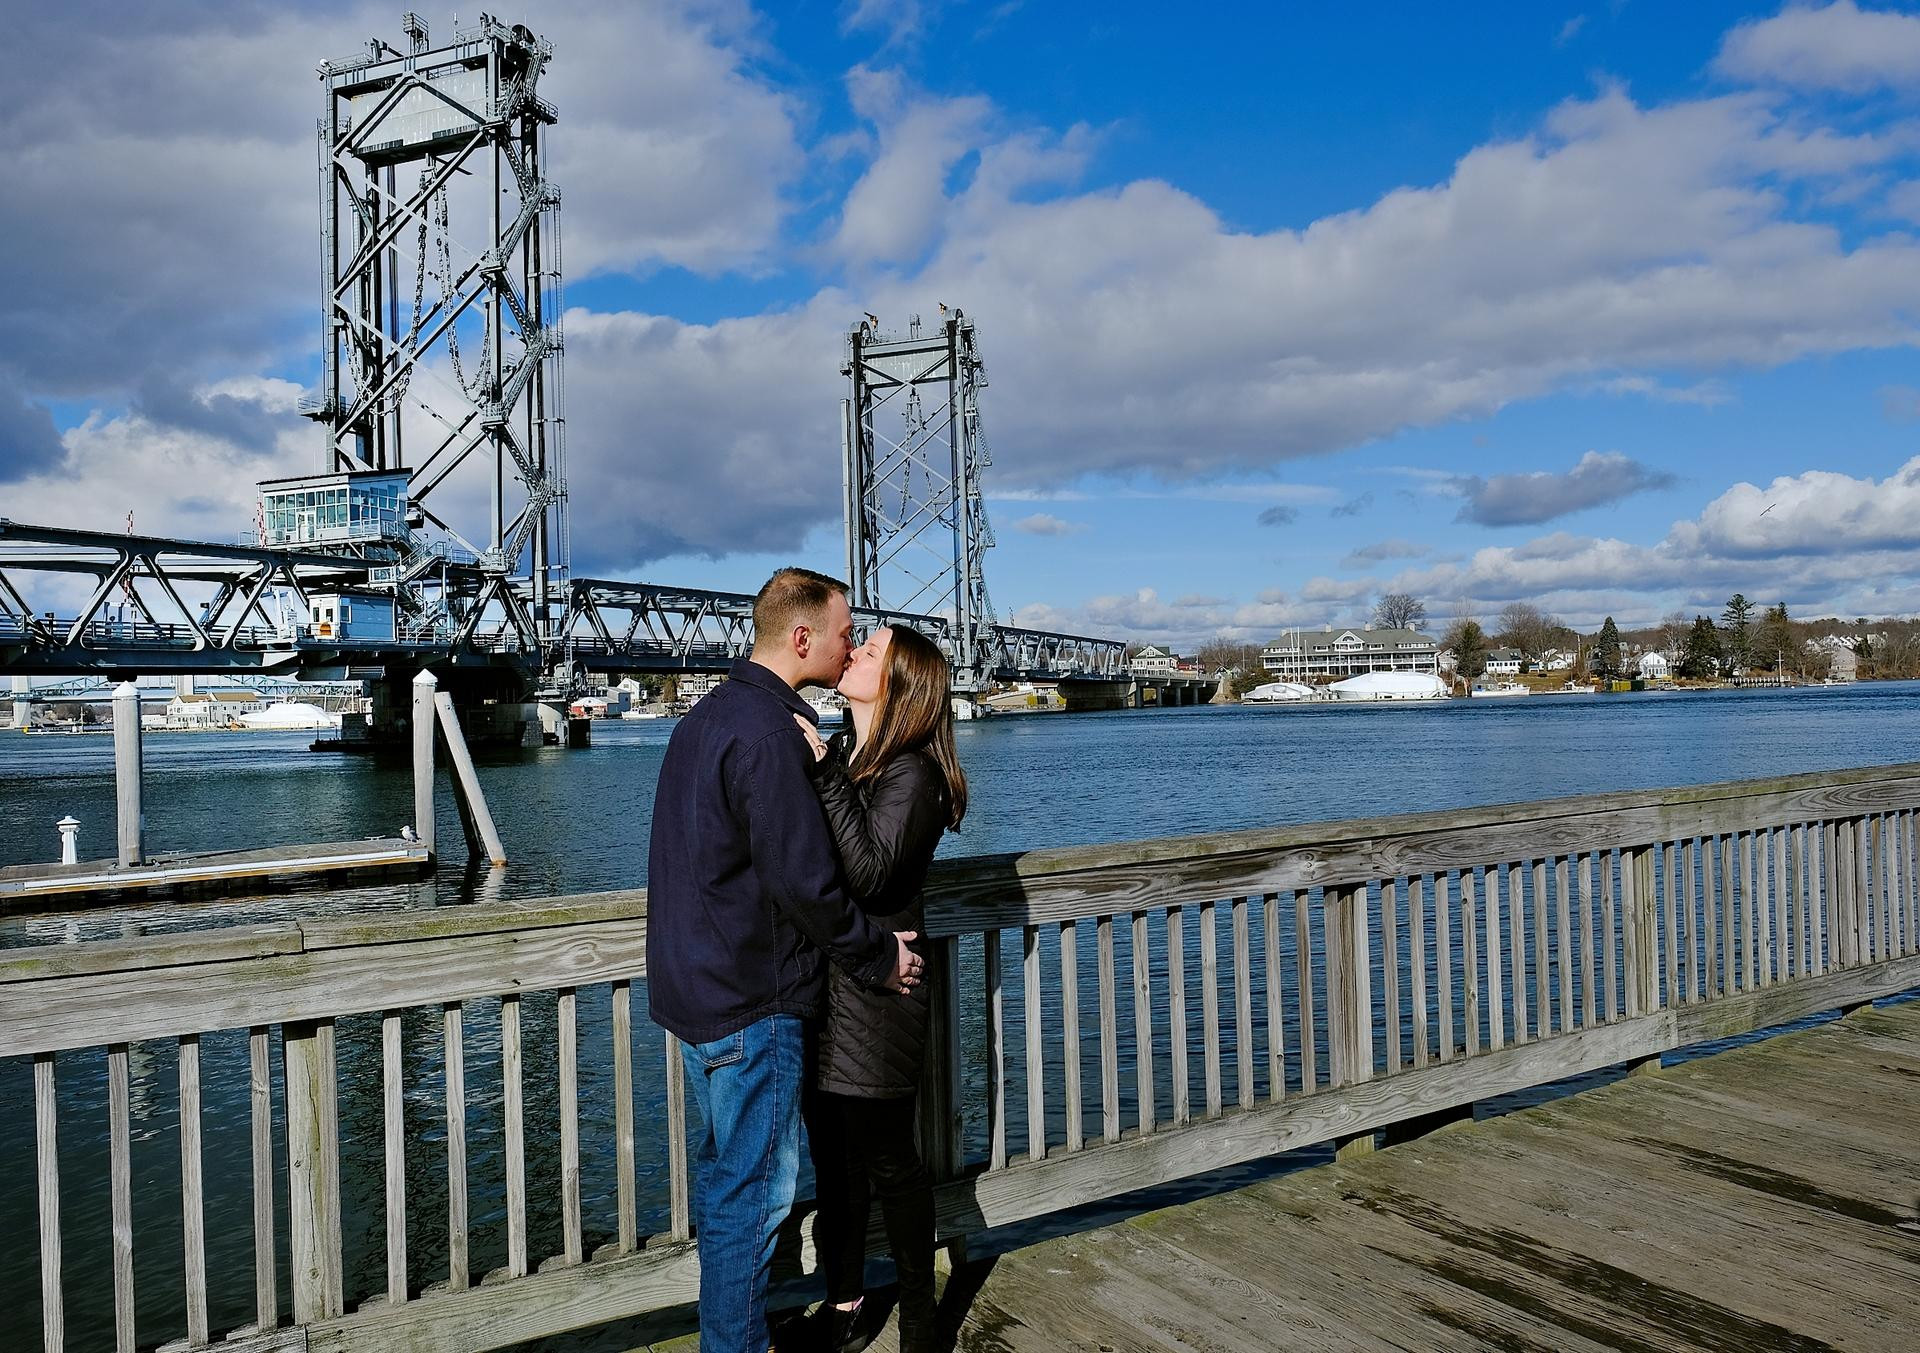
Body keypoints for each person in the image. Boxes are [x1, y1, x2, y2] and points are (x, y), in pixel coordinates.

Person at [646, 567, 925, 1353]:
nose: (850, 646)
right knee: (755, 1196)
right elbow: (808, 884)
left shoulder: (706, 719)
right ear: (801, 638)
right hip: (752, 1001)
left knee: (726, 1180)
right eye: (844, 633)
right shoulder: (771, 735)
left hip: (695, 992)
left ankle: (731, 1334)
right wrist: (879, 956)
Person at [794, 625, 968, 1353]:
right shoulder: (860, 760)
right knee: (834, 1164)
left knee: (890, 1161)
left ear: (901, 683)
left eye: (870, 650)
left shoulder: (913, 774)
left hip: (884, 994)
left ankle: (921, 1320)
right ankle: (845, 1303)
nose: (854, 651)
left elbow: (869, 874)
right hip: (831, 983)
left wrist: (825, 768)